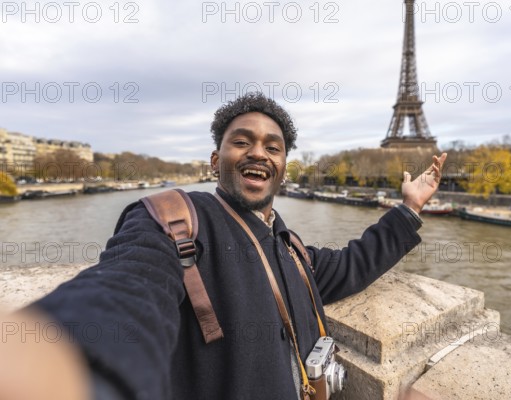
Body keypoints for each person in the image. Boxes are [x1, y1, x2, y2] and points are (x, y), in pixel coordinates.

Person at [10, 92, 446, 400]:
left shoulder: (291, 247)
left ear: (282, 169)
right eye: (242, 141)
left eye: (272, 147)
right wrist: (68, 360)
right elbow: (129, 286)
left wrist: (408, 209)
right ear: (215, 161)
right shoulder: (174, 219)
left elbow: (353, 264)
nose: (259, 152)